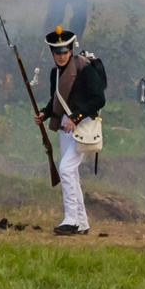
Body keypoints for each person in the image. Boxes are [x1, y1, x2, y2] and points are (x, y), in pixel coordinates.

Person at [40, 24, 108, 236]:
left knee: (66, 169)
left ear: (71, 51)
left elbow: (99, 99)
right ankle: (82, 222)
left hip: (84, 126)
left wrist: (75, 116)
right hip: (65, 128)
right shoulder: (55, 73)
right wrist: (44, 113)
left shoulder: (84, 69)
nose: (61, 57)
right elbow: (56, 101)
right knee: (73, 174)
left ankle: (70, 220)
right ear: (53, 54)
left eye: (64, 52)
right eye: (57, 53)